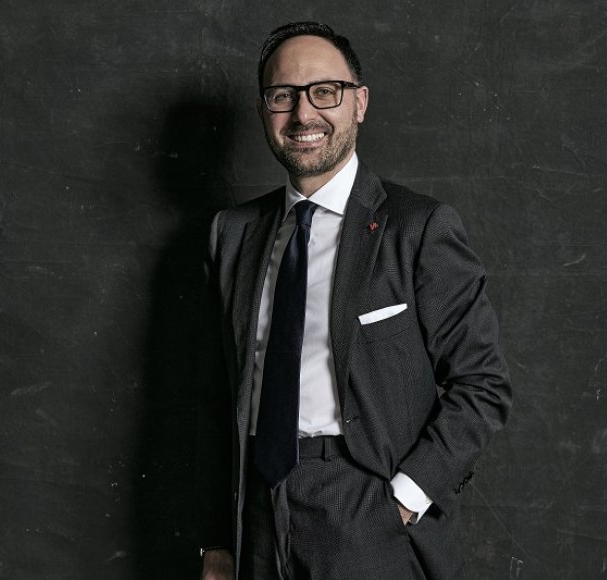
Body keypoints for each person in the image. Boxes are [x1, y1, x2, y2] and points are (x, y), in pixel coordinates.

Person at [197, 21, 512, 580]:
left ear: (359, 103)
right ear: (263, 109)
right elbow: (213, 397)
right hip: (256, 514)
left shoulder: (418, 228)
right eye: (283, 95)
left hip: (365, 511)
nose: (303, 114)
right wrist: (218, 541)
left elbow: (482, 383)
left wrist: (403, 500)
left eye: (325, 91)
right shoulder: (234, 234)